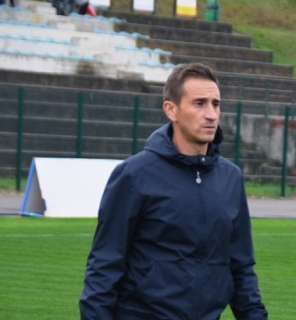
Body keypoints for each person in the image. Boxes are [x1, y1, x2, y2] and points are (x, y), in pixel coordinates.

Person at [79, 63, 268, 320]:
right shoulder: (134, 175)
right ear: (171, 110)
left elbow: (241, 267)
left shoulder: (230, 178)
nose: (211, 114)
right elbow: (105, 264)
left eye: (216, 104)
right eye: (199, 103)